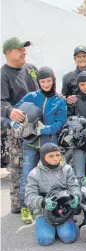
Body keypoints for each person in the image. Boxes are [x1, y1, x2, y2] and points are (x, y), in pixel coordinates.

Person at [15, 67, 67, 224]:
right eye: (42, 81)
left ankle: (52, 204)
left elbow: (60, 123)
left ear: (53, 81)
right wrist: (16, 122)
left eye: (48, 81)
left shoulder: (59, 100)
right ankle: (25, 207)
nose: (46, 84)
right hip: (30, 142)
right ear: (38, 82)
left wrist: (46, 129)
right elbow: (16, 111)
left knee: (52, 176)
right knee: (27, 174)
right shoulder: (31, 96)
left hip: (49, 144)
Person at [1, 37, 38, 214]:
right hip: (16, 127)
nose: (24, 51)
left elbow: (42, 91)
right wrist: (9, 111)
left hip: (37, 124)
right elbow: (1, 102)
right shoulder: (3, 75)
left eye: (25, 48)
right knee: (19, 164)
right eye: (20, 49)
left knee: (38, 161)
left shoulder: (32, 70)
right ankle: (18, 202)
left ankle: (36, 199)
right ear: (8, 53)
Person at [25, 143, 81, 246]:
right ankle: (48, 227)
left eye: (58, 155)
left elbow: (74, 186)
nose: (56, 159)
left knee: (69, 237)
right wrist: (42, 202)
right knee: (45, 239)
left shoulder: (67, 169)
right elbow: (29, 196)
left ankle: (60, 227)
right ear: (43, 157)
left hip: (63, 209)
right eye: (51, 156)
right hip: (44, 210)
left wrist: (76, 196)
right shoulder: (34, 174)